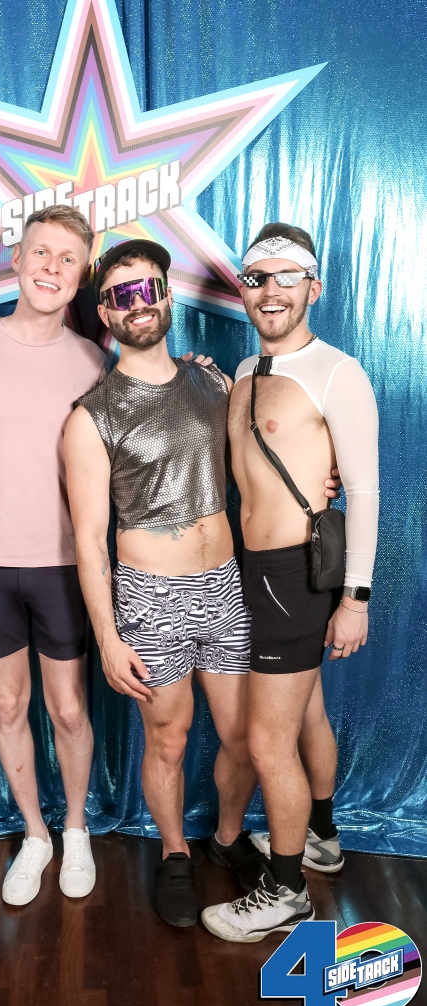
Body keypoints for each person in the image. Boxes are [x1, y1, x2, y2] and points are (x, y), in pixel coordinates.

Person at [63, 239, 262, 928]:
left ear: (168, 296)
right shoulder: (89, 416)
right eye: (121, 296)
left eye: (148, 288)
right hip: (150, 599)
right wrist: (107, 638)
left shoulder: (213, 384)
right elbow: (88, 540)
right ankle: (175, 853)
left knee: (245, 736)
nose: (138, 304)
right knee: (168, 740)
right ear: (104, 313)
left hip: (225, 587)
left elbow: (261, 463)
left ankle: (228, 838)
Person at [201, 224, 379, 942]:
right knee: (304, 716)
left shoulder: (338, 371)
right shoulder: (246, 369)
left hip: (294, 576)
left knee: (267, 741)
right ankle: (322, 838)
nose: (269, 291)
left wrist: (355, 599)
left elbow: (362, 491)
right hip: (252, 570)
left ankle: (285, 892)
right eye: (256, 278)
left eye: (286, 277)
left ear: (313, 287)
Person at [0, 205, 105, 905]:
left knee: (68, 708)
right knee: (7, 703)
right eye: (41, 252)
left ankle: (75, 829)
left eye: (68, 259)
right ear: (16, 258)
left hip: (64, 564)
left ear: (81, 276)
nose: (51, 267)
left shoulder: (94, 361)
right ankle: (35, 834)